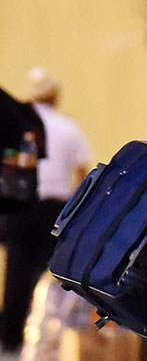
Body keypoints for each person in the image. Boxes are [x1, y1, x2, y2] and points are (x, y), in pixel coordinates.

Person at [0, 69, 92, 358]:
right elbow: (83, 173)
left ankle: (11, 340)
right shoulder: (69, 128)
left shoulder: (18, 123)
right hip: (55, 210)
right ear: (56, 96)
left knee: (17, 276)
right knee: (55, 276)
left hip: (22, 206)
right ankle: (52, 341)